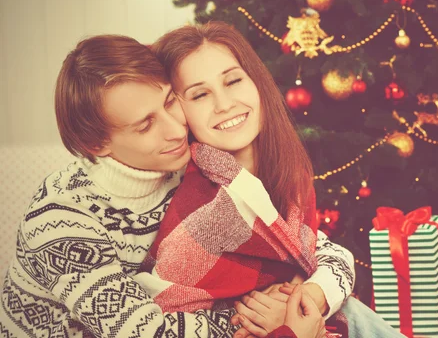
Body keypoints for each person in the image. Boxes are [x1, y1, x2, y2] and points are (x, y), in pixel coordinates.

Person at [0, 34, 333, 338]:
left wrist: (309, 295)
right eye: (146, 124)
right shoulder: (58, 223)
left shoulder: (188, 165)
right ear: (97, 144)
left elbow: (297, 244)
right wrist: (269, 319)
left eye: (170, 102)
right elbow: (148, 332)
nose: (176, 130)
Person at [145, 21, 406, 338]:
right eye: (200, 94)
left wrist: (308, 298)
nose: (225, 104)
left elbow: (329, 253)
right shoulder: (199, 209)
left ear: (257, 83)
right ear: (178, 112)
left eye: (233, 81)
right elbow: (164, 314)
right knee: (351, 313)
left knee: (349, 310)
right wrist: (278, 324)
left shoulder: (284, 174)